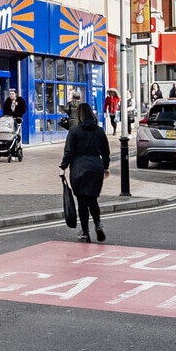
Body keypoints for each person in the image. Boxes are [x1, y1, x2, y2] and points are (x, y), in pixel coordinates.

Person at [60, 102, 111, 245]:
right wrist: (105, 167)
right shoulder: (100, 131)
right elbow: (106, 153)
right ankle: (98, 223)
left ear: (80, 115)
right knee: (93, 199)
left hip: (79, 168)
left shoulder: (74, 131)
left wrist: (63, 167)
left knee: (82, 202)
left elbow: (69, 152)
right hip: (96, 167)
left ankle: (85, 232)